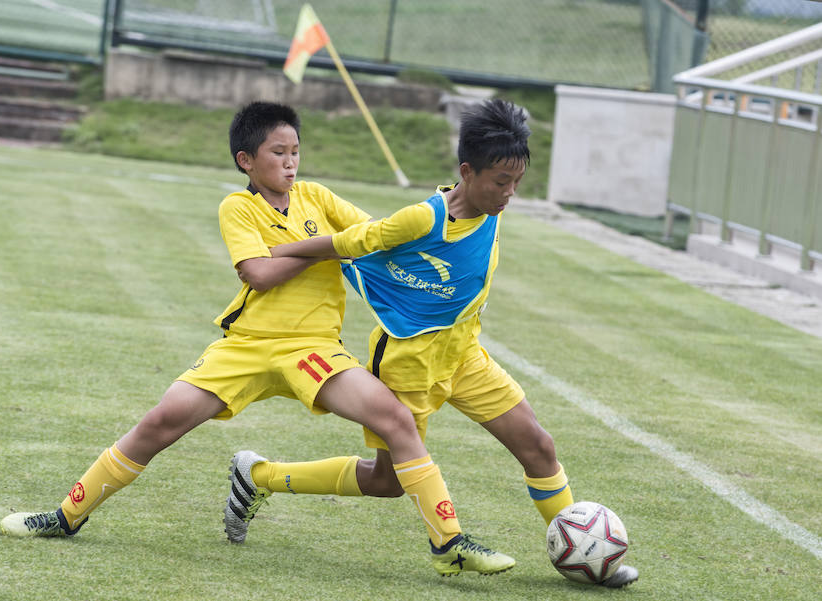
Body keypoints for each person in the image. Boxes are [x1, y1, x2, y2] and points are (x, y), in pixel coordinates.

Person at [0, 101, 514, 577]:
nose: (291, 163)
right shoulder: (237, 208)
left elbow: (371, 237)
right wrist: (328, 249)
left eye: (295, 152)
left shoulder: (316, 197)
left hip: (314, 348)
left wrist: (434, 217)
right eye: (278, 153)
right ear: (247, 160)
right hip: (246, 345)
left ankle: (449, 544)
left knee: (396, 419)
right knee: (160, 421)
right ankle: (64, 517)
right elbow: (259, 275)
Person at [226, 99, 638, 588]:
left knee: (539, 447)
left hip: (464, 356)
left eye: (517, 182)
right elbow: (356, 241)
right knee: (387, 483)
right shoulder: (422, 218)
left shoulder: (489, 203)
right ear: (467, 172)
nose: (509, 194)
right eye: (501, 182)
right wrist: (287, 249)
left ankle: (582, 553)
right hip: (408, 359)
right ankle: (260, 477)